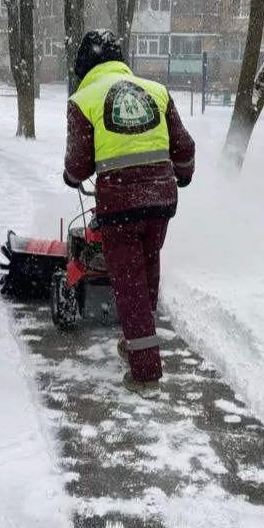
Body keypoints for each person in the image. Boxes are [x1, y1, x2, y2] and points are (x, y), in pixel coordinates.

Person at [62, 29, 196, 397]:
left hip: (120, 204)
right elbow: (183, 146)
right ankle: (138, 339)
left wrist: (71, 177)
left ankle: (145, 371)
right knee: (147, 270)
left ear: (84, 66)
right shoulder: (155, 90)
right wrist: (182, 175)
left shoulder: (84, 99)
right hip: (161, 201)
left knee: (130, 284)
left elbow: (78, 165)